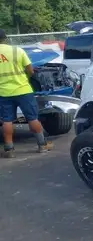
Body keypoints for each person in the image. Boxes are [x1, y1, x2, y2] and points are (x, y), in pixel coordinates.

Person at [0, 29, 53, 158]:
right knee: (32, 118)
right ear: (5, 38)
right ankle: (42, 145)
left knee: (7, 121)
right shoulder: (17, 50)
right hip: (23, 90)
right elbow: (30, 70)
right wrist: (25, 77)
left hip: (3, 92)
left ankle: (9, 149)